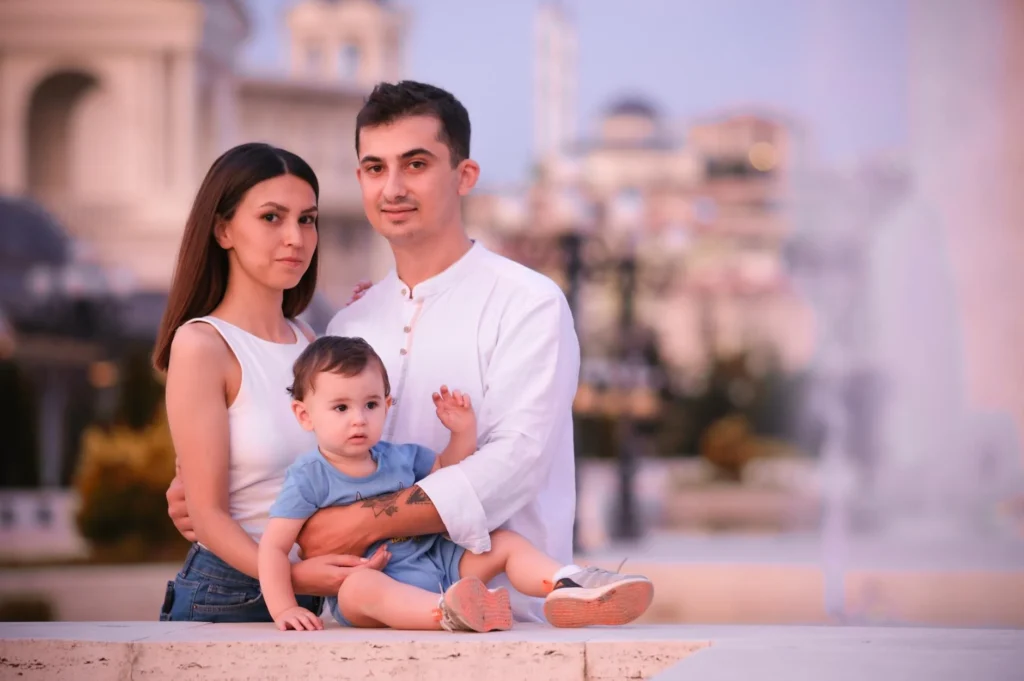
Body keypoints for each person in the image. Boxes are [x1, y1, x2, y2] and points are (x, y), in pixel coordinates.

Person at [258, 337, 653, 631]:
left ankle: (568, 583)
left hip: (440, 561)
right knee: (359, 587)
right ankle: (446, 612)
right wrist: (284, 608)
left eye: (371, 404)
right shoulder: (308, 476)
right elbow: (275, 547)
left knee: (505, 543)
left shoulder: (399, 456)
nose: (359, 418)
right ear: (304, 415)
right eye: (341, 408)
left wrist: (462, 433)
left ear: (387, 405)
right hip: (380, 585)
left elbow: (449, 474)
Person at [154, 142, 388, 623]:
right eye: (271, 218)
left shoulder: (311, 342)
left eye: (307, 219)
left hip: (324, 594)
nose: (295, 238)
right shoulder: (203, 345)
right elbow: (209, 517)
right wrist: (294, 576)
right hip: (231, 594)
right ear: (223, 230)